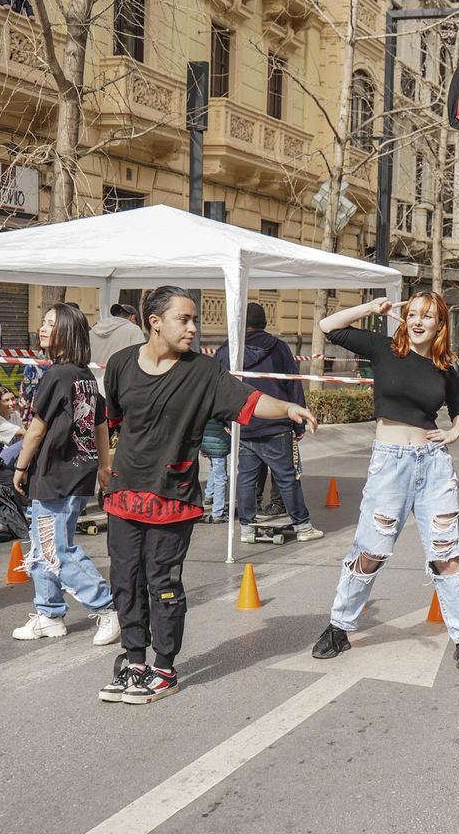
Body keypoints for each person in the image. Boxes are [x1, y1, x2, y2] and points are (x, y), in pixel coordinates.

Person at [97, 286, 316, 705]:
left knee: (162, 581)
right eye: (185, 319)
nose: (194, 328)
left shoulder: (203, 372)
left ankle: (164, 667)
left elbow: (250, 401)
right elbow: (113, 420)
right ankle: (134, 661)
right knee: (125, 580)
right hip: (125, 494)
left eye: (194, 319)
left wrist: (288, 408)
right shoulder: (122, 365)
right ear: (154, 322)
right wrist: (105, 467)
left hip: (173, 495)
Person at [314, 291, 459, 672]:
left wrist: (454, 433)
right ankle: (339, 627)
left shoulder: (443, 366)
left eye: (427, 316)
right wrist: (370, 309)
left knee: (447, 557)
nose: (418, 321)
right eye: (413, 314)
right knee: (370, 551)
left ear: (440, 325)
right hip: (390, 466)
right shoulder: (385, 348)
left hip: (434, 467)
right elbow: (329, 328)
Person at [9, 305, 120, 644]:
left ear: (68, 332)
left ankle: (107, 607)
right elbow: (100, 424)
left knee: (56, 548)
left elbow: (36, 429)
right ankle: (48, 613)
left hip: (56, 474)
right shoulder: (84, 375)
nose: (43, 329)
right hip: (75, 473)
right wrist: (102, 466)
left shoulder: (57, 376)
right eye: (43, 322)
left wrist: (20, 466)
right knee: (43, 547)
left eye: (51, 324)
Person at [215, 302, 323, 544]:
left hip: (244, 424)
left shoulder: (227, 350)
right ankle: (302, 526)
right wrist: (298, 425)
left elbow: (218, 388)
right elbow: (293, 384)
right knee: (287, 477)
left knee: (245, 477)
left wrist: (225, 419)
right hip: (277, 425)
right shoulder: (280, 348)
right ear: (265, 322)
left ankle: (246, 527)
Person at [91, 302, 147, 368]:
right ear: (133, 318)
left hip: (91, 376)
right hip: (118, 377)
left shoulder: (94, 329)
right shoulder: (134, 329)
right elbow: (141, 357)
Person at [0, 387, 29, 467]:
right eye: (6, 400)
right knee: (28, 442)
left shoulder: (15, 414)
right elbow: (24, 433)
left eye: (13, 399)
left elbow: (25, 432)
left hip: (14, 454)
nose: (12, 403)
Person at [200, 417, 231, 522]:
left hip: (206, 443)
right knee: (221, 479)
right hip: (219, 445)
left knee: (213, 468)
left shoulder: (204, 403)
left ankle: (209, 495)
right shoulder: (222, 405)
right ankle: (217, 513)